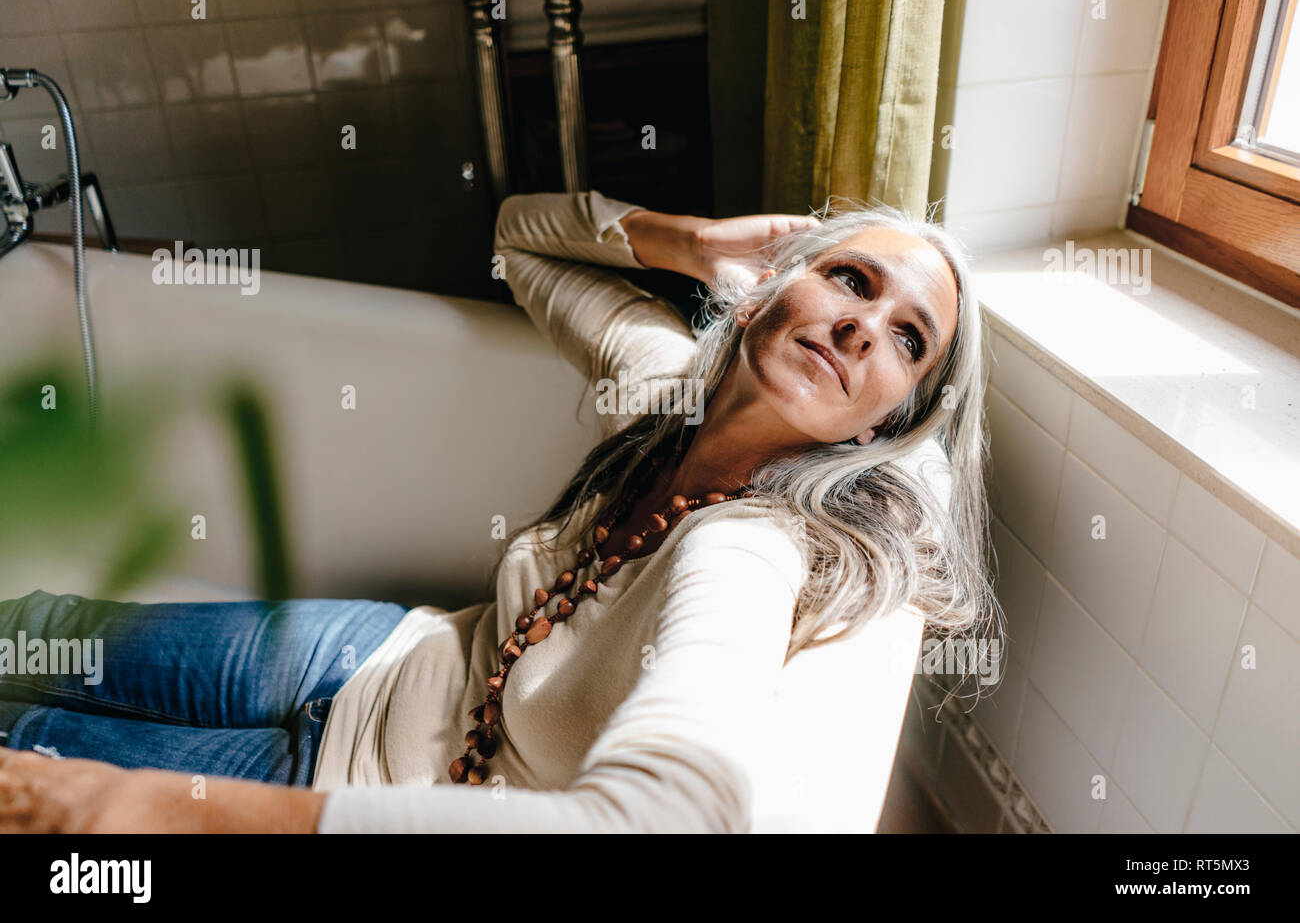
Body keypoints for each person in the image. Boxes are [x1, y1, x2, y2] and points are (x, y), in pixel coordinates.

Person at [0, 190, 995, 832]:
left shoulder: (755, 553)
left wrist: (130, 806)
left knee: (37, 749)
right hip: (382, 654)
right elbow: (519, 240)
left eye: (907, 339)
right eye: (848, 280)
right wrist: (689, 242)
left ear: (884, 423)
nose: (863, 327)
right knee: (39, 631)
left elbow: (668, 817)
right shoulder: (662, 385)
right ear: (762, 295)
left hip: (362, 788)